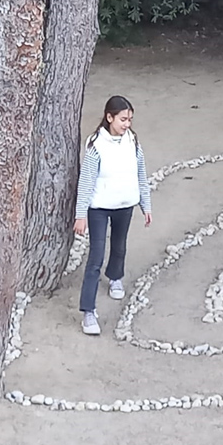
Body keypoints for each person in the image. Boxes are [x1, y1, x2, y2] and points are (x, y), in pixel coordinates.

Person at [73, 96, 153, 335]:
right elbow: (86, 182)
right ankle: (88, 311)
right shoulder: (96, 145)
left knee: (119, 246)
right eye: (122, 119)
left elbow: (141, 174)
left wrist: (145, 206)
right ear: (109, 118)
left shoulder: (133, 141)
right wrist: (80, 215)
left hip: (124, 204)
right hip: (99, 207)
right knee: (96, 254)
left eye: (129, 119)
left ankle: (116, 276)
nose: (126, 124)